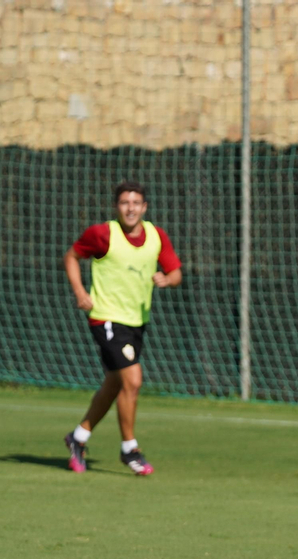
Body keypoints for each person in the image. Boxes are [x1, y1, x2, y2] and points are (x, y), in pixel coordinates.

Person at [61, 180, 182, 476]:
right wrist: (79, 291)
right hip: (106, 318)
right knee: (133, 380)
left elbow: (175, 271)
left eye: (136, 203)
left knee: (116, 383)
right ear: (117, 207)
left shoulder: (156, 235)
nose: (130, 208)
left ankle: (78, 437)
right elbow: (72, 257)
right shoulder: (103, 234)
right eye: (125, 203)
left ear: (144, 207)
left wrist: (167, 279)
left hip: (136, 321)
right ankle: (130, 449)